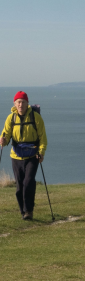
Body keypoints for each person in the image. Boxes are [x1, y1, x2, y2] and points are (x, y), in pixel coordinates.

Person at [0, 91, 47, 220]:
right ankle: (23, 211)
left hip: (33, 155)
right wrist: (3, 140)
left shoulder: (35, 117)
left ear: (27, 104)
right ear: (14, 104)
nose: (20, 105)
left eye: (23, 102)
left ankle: (29, 211)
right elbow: (6, 134)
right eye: (18, 102)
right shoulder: (11, 118)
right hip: (16, 156)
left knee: (28, 182)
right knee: (19, 186)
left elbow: (43, 138)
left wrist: (41, 152)